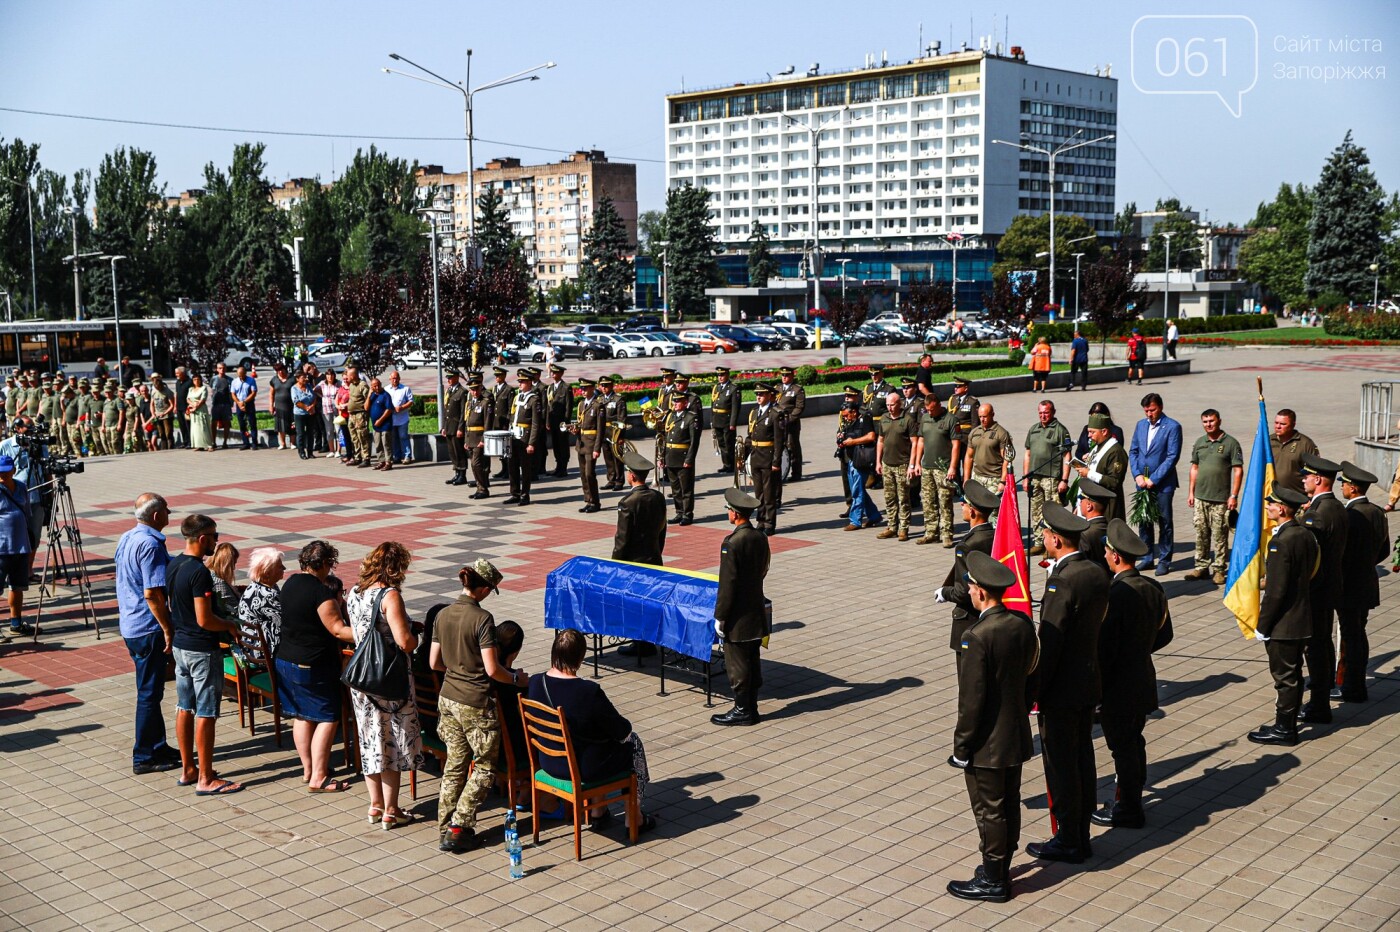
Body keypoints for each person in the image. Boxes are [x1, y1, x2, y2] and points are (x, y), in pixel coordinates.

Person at [945, 550, 1038, 904]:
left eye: (969, 587)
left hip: (987, 743)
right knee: (1008, 802)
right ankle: (999, 865)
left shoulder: (977, 636)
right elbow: (1033, 675)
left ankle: (995, 879)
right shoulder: (1021, 624)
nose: (967, 591)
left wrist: (961, 747)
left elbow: (972, 702)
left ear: (981, 591)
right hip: (1014, 733)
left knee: (989, 810)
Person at [1028, 503, 1110, 864]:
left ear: (1057, 540)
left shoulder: (1062, 581)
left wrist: (1034, 691)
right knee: (1082, 760)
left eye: (1045, 534)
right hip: (1087, 682)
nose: (1043, 538)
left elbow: (1052, 642)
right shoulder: (1094, 571)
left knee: (1061, 766)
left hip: (1061, 690)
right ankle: (1080, 834)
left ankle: (1068, 839)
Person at [431, 558, 522, 852]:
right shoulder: (482, 619)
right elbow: (493, 669)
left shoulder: (442, 615)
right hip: (476, 702)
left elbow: (435, 661)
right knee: (483, 768)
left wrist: (457, 671)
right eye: (489, 589)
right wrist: (517, 680)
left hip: (448, 698)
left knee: (455, 764)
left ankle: (445, 826)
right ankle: (460, 825)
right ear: (482, 588)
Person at [528, 629, 656, 832]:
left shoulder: (535, 682)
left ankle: (598, 812)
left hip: (548, 761)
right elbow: (623, 730)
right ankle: (634, 816)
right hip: (580, 768)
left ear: (554, 653)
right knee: (634, 743)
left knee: (593, 741)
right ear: (580, 658)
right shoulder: (587, 691)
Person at [1091, 519, 1172, 829]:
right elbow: (1165, 635)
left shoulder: (1115, 594)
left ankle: (1128, 809)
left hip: (1118, 686)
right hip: (1143, 677)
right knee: (1133, 742)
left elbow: (1105, 648)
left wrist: (1098, 689)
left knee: (1122, 746)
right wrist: (1141, 648)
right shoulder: (1153, 587)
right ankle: (1131, 800)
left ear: (1113, 555)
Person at [347, 542, 422, 829]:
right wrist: (415, 636)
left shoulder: (354, 592)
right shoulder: (389, 595)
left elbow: (362, 630)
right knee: (390, 743)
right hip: (388, 678)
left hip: (362, 676)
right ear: (396, 567)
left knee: (370, 740)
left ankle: (375, 804)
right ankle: (392, 810)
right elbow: (403, 641)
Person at [167, 514, 243, 795]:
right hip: (201, 648)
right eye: (214, 536)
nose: (216, 540)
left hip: (181, 645)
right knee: (206, 711)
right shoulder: (199, 572)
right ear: (201, 539)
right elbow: (205, 619)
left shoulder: (174, 563)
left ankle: (189, 769)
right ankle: (206, 778)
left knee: (184, 706)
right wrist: (229, 626)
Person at [275, 540, 356, 794]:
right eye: (330, 564)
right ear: (321, 564)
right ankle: (319, 777)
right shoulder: (321, 593)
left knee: (302, 715)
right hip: (311, 664)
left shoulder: (290, 582)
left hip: (285, 659)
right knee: (327, 716)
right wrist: (370, 631)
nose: (330, 569)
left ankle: (308, 769)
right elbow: (337, 629)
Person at [1247, 485, 1317, 746]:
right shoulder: (1304, 535)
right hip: (1301, 618)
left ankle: (1284, 729)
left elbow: (1275, 593)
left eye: (1271, 504)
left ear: (1283, 509)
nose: (1267, 507)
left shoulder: (1281, 542)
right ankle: (1286, 723)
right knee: (1294, 673)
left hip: (1284, 624)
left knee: (1284, 678)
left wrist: (1262, 625)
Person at [116, 494, 180, 774]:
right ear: (156, 516)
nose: (169, 514)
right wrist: (167, 627)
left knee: (150, 691)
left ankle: (158, 745)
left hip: (131, 623)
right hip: (147, 627)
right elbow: (153, 593)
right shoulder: (150, 544)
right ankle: (144, 756)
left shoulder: (128, 537)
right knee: (149, 693)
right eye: (167, 510)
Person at [711, 488, 770, 726]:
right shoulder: (760, 537)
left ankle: (743, 710)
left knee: (737, 664)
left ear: (735, 514)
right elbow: (764, 568)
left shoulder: (732, 543)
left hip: (737, 615)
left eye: (728, 510)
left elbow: (728, 585)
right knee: (752, 659)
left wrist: (720, 616)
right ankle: (751, 707)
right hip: (755, 608)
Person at [1298, 454, 1347, 725]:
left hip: (1316, 591)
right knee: (1323, 643)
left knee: (1315, 648)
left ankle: (1319, 705)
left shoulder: (1317, 513)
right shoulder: (1337, 507)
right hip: (1331, 587)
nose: (1303, 479)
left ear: (1318, 479)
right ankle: (1323, 693)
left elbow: (1309, 554)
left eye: (1306, 476)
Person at [1336, 462, 1390, 702]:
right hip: (1367, 583)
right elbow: (1385, 550)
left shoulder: (1350, 516)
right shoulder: (1378, 511)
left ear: (1354, 488)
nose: (1343, 488)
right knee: (1358, 633)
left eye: (1345, 484)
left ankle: (1353, 686)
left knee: (1351, 637)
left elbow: (1343, 554)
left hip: (1350, 586)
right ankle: (1355, 684)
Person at [935, 481, 1000, 669]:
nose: (961, 506)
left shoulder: (967, 545)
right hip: (993, 613)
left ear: (972, 511)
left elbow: (963, 592)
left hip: (970, 619)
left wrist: (944, 593)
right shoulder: (995, 535)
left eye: (964, 503)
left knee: (968, 679)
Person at [1185, 409, 1243, 584]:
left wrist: (1234, 495)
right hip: (1201, 497)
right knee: (1201, 533)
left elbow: (1237, 470)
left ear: (1219, 421)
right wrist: (1191, 492)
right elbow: (1194, 468)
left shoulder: (1231, 443)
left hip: (1220, 499)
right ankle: (1201, 566)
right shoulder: (1200, 442)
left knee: (1219, 535)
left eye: (1211, 421)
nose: (1208, 424)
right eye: (1205, 421)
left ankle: (1218, 569)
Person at [1128, 393, 1183, 576]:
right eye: (1146, 411)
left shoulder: (1173, 427)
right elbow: (1134, 451)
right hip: (1142, 482)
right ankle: (1146, 556)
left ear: (1160, 407)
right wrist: (1137, 475)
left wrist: (1155, 479)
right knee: (1144, 520)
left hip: (1162, 484)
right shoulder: (1141, 425)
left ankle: (1165, 559)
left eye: (1152, 410)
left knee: (1164, 521)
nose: (1149, 414)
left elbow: (1172, 457)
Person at [1023, 400, 1073, 555]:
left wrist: (1064, 479)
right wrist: (1026, 477)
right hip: (1035, 477)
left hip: (1052, 478)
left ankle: (1053, 545)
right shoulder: (1034, 429)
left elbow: (1067, 455)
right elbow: (1028, 454)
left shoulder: (1060, 430)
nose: (1043, 416)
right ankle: (1039, 543)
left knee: (1052, 513)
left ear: (1053, 412)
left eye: (1046, 412)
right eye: (1040, 413)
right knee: (1036, 511)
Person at [876, 391, 917, 542]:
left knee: (903, 498)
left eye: (892, 404)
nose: (890, 408)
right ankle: (892, 526)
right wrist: (878, 461)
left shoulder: (908, 420)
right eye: (887, 405)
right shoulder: (884, 418)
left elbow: (915, 443)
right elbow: (880, 440)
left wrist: (912, 465)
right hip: (887, 464)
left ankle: (903, 528)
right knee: (889, 497)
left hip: (902, 465)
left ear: (899, 404)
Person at [1073, 411, 1130, 521]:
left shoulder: (1116, 452)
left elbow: (1114, 482)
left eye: (1092, 432)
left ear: (1104, 431)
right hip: (1091, 507)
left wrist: (1088, 473)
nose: (1089, 436)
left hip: (1106, 509)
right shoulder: (1097, 447)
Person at [745, 383, 785, 536]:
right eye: (757, 394)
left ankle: (770, 523)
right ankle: (761, 520)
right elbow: (750, 436)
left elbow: (779, 440)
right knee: (759, 493)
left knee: (769, 493)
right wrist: (742, 455)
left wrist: (776, 461)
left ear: (769, 395)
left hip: (768, 457)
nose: (758, 397)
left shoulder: (776, 413)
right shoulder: (754, 413)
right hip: (755, 456)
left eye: (761, 394)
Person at [0, 455, 33, 639]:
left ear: (13, 470)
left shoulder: (21, 487)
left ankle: (16, 623)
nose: (2, 476)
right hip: (1, 548)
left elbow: (27, 512)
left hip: (20, 546)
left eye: (5, 471)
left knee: (18, 586)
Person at [237, 547, 284, 666]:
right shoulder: (267, 595)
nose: (284, 568)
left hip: (251, 648)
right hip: (261, 654)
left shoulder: (257, 586)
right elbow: (288, 621)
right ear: (267, 572)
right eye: (279, 566)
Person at [838, 400, 880, 532]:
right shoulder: (849, 422)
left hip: (861, 461)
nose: (845, 418)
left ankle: (855, 520)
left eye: (846, 415)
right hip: (851, 460)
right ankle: (874, 516)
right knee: (858, 489)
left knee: (857, 491)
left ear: (854, 412)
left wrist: (853, 442)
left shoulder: (865, 419)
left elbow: (871, 436)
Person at [661, 391, 700, 526]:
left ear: (685, 403)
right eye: (674, 401)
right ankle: (679, 511)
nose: (675, 404)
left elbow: (694, 442)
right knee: (675, 488)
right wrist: (662, 457)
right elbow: (665, 439)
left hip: (683, 458)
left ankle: (687, 514)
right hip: (671, 457)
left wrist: (689, 460)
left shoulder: (691, 418)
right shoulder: (670, 416)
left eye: (678, 401)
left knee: (686, 489)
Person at [506, 369, 542, 506]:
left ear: (529, 382)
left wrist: (531, 443)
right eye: (519, 381)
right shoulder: (517, 397)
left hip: (525, 439)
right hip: (513, 437)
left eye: (522, 382)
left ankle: (525, 495)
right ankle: (514, 493)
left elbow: (535, 424)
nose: (520, 384)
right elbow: (512, 417)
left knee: (525, 469)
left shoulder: (534, 400)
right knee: (512, 466)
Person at [963, 404, 1015, 497]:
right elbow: (969, 456)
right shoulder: (974, 432)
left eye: (985, 416)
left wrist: (1002, 481)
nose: (982, 419)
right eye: (980, 417)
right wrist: (966, 479)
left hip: (994, 479)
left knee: (993, 510)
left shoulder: (1001, 433)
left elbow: (1007, 460)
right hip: (977, 478)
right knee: (975, 509)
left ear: (992, 414)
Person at [572, 377, 604, 512]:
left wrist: (597, 448)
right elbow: (580, 423)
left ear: (592, 388)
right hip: (581, 443)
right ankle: (588, 500)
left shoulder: (598, 406)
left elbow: (600, 430)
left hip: (591, 445)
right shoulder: (581, 405)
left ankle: (595, 502)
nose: (583, 391)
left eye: (585, 388)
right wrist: (575, 430)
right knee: (583, 475)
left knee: (590, 474)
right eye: (582, 389)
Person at [1269, 409, 1317, 495]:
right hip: (1272, 495)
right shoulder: (1268, 441)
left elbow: (1314, 472)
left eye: (1283, 424)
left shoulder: (1305, 443)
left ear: (1293, 425)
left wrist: (1310, 496)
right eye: (1276, 423)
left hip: (1297, 496)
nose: (1278, 426)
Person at [1074, 479, 1114, 572]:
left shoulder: (1084, 534)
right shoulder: (1110, 528)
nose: (1080, 503)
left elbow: (1080, 565)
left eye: (1081, 499)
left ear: (1089, 506)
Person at [776, 366, 806, 481]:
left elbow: (799, 408)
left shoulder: (797, 390)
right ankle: (782, 471)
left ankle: (796, 473)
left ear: (792, 376)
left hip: (791, 423)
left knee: (793, 447)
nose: (784, 377)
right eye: (783, 375)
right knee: (780, 447)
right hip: (778, 423)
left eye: (787, 375)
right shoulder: (778, 388)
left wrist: (788, 420)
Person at [710, 366, 740, 476]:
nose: (720, 377)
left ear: (727, 375)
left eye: (722, 375)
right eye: (719, 375)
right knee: (721, 443)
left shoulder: (733, 388)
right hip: (717, 419)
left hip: (727, 421)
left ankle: (732, 465)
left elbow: (735, 407)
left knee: (729, 444)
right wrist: (712, 420)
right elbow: (712, 405)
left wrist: (733, 423)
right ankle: (726, 464)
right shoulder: (716, 388)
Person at [489, 366, 517, 482]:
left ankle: (508, 470)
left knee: (506, 448)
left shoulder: (509, 390)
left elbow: (511, 408)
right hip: (496, 423)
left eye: (499, 375)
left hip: (504, 423)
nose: (496, 378)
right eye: (495, 375)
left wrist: (509, 422)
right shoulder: (494, 389)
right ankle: (503, 468)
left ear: (504, 376)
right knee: (500, 448)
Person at [545, 363, 571, 479]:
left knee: (563, 445)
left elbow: (568, 407)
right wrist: (547, 421)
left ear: (561, 374)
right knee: (555, 444)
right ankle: (558, 466)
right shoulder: (550, 387)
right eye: (552, 372)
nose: (553, 374)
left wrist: (566, 423)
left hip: (562, 422)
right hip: (553, 421)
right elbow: (548, 406)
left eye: (555, 372)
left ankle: (563, 468)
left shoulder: (566, 387)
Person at [441, 369, 468, 486]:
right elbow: (446, 411)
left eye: (451, 378)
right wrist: (443, 427)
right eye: (448, 378)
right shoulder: (449, 391)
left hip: (457, 426)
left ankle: (462, 475)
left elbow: (463, 413)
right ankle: (456, 473)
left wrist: (461, 428)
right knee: (452, 451)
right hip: (449, 426)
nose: (449, 380)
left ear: (457, 377)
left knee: (459, 451)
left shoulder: (462, 392)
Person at [206, 542, 241, 625]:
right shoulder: (219, 583)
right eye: (233, 564)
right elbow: (234, 609)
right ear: (226, 564)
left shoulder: (210, 573)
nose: (234, 568)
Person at [345, 365, 371, 467]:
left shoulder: (363, 385)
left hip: (360, 414)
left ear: (353, 376)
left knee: (362, 436)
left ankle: (366, 458)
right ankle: (357, 457)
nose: (347, 377)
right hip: (352, 415)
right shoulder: (351, 385)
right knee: (354, 437)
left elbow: (368, 399)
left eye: (348, 375)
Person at [386, 370, 414, 464]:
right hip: (391, 418)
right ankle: (396, 456)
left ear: (399, 379)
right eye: (393, 378)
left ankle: (407, 456)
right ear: (390, 379)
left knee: (403, 437)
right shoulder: (386, 389)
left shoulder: (405, 389)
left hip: (402, 418)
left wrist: (402, 407)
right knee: (393, 438)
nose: (395, 380)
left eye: (396, 378)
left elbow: (410, 401)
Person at [230, 366, 259, 450]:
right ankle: (245, 443)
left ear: (245, 373)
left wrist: (244, 402)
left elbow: (253, 392)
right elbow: (233, 394)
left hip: (249, 404)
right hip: (239, 405)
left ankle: (254, 443)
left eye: (242, 375)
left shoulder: (251, 380)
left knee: (252, 423)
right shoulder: (234, 382)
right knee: (242, 424)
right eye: (239, 375)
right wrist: (239, 403)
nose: (241, 377)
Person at [368, 377, 394, 470]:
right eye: (375, 386)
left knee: (386, 444)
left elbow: (389, 410)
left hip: (385, 424)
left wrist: (380, 420)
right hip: (376, 426)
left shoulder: (386, 395)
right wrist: (368, 395)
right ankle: (381, 461)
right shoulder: (372, 395)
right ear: (372, 387)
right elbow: (366, 408)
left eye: (378, 385)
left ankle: (388, 462)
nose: (377, 387)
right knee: (378, 444)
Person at [268, 363, 294, 451]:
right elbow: (271, 394)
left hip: (291, 406)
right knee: (280, 426)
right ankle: (282, 443)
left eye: (281, 370)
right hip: (279, 406)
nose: (280, 372)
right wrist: (271, 405)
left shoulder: (292, 379)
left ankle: (292, 443)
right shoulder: (274, 380)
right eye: (278, 371)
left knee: (292, 425)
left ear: (285, 369)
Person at [290, 371, 316, 460]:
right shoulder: (294, 389)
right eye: (303, 377)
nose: (305, 379)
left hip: (310, 413)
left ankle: (310, 452)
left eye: (305, 377)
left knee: (310, 433)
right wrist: (306, 408)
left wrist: (312, 406)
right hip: (299, 414)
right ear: (297, 379)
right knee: (300, 433)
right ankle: (301, 452)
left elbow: (314, 397)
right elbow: (296, 402)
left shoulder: (309, 386)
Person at [184, 373, 212, 452]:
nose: (196, 381)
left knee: (204, 427)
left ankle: (209, 445)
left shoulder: (203, 388)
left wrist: (196, 407)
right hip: (193, 408)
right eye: (195, 379)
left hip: (201, 409)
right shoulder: (191, 389)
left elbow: (203, 399)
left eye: (198, 379)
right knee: (195, 428)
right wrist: (192, 405)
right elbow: (188, 399)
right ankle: (199, 445)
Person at [317, 370, 340, 459]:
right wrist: (321, 396)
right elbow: (314, 390)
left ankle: (338, 451)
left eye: (331, 375)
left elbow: (343, 391)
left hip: (336, 409)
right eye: (328, 375)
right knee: (329, 430)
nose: (329, 377)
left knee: (338, 430)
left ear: (334, 376)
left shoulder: (338, 383)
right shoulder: (322, 383)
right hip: (326, 409)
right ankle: (331, 450)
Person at [173, 367, 192, 449]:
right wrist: (175, 406)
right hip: (179, 407)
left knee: (188, 425)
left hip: (186, 407)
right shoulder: (177, 382)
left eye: (178, 373)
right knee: (182, 425)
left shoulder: (189, 382)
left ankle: (191, 442)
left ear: (183, 373)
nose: (176, 375)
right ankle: (185, 441)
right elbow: (176, 394)